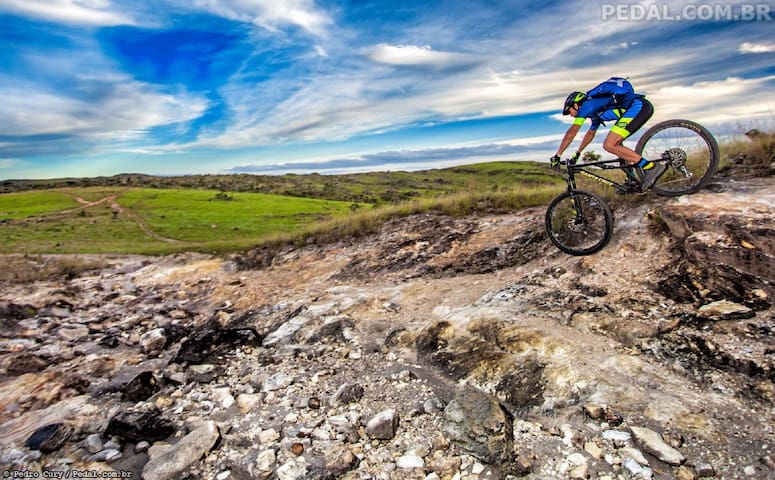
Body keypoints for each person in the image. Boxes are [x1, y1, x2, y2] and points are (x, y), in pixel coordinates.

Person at [550, 77, 666, 190]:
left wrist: (558, 154)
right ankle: (631, 181)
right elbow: (590, 134)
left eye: (569, 110)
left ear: (576, 105)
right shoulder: (595, 111)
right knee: (617, 146)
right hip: (639, 108)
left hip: (638, 108)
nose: (570, 115)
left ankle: (650, 167)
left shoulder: (587, 106)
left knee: (609, 145)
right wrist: (578, 153)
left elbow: (572, 132)